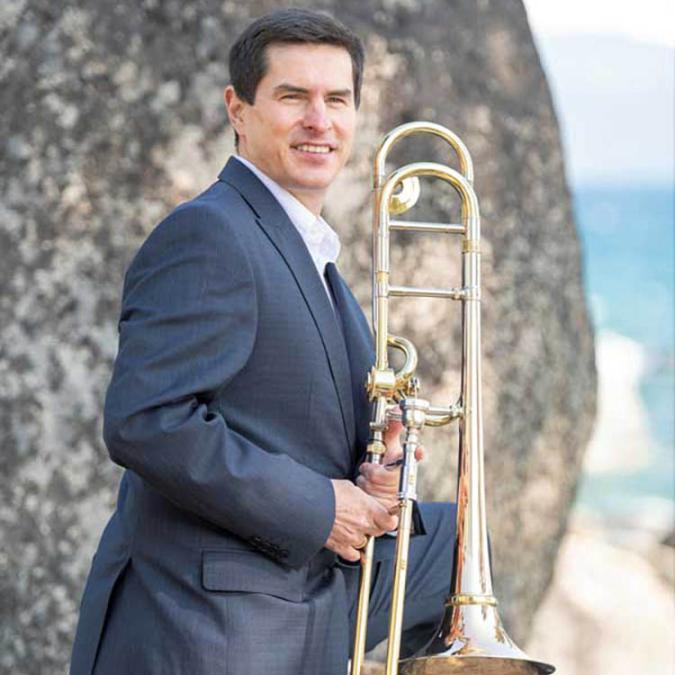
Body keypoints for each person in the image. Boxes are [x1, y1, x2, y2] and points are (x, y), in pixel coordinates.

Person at [70, 9, 457, 675]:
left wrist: (370, 474)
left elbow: (284, 430)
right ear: (238, 109)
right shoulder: (210, 233)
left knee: (454, 535)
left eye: (336, 99)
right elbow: (147, 420)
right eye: (292, 96)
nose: (319, 120)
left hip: (285, 605)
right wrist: (319, 505)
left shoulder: (307, 254)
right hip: (205, 627)